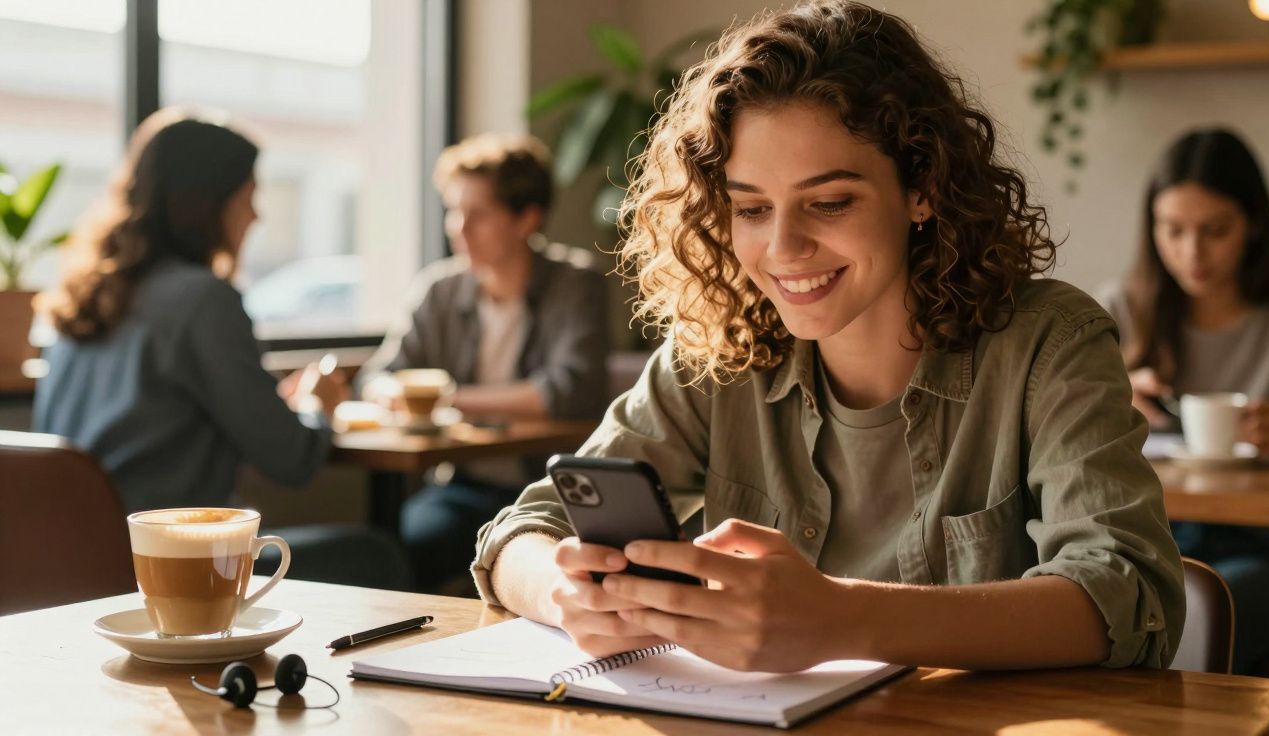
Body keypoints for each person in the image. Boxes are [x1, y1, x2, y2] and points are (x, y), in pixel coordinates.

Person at [472, 0, 1184, 673]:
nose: (783, 248)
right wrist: (564, 594)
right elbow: (520, 532)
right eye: (750, 208)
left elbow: (1129, 594)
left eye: (829, 202)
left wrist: (843, 619)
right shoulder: (715, 353)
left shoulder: (1050, 343)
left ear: (922, 188)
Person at [34, 108, 410, 590]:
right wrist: (320, 405)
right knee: (377, 556)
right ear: (209, 204)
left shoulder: (84, 296)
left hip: (67, 565)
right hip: (167, 571)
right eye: (249, 196)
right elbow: (292, 461)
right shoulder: (203, 301)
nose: (256, 214)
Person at [1099, 128, 1269, 673]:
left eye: (1215, 231)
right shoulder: (1120, 308)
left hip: (1261, 545)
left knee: (1187, 624)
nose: (1191, 253)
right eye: (1173, 230)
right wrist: (1112, 401)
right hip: (1138, 539)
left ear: (1254, 225)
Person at [360, 132, 610, 594]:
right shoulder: (441, 289)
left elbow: (567, 390)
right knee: (404, 549)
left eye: (477, 214)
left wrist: (444, 399)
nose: (458, 227)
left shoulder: (575, 286)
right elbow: (378, 376)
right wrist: (390, 392)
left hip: (551, 489)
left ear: (526, 219)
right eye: (454, 211)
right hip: (464, 487)